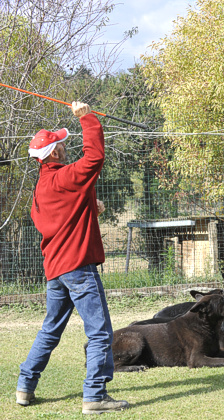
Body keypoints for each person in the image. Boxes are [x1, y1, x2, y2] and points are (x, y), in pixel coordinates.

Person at [16, 101, 128, 415]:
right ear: (54, 153)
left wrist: (90, 207)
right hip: (78, 267)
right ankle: (94, 396)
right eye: (62, 144)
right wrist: (86, 117)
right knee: (100, 331)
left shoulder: (43, 186)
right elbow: (95, 157)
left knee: (50, 330)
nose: (66, 146)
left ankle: (25, 386)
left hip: (56, 270)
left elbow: (55, 218)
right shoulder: (65, 177)